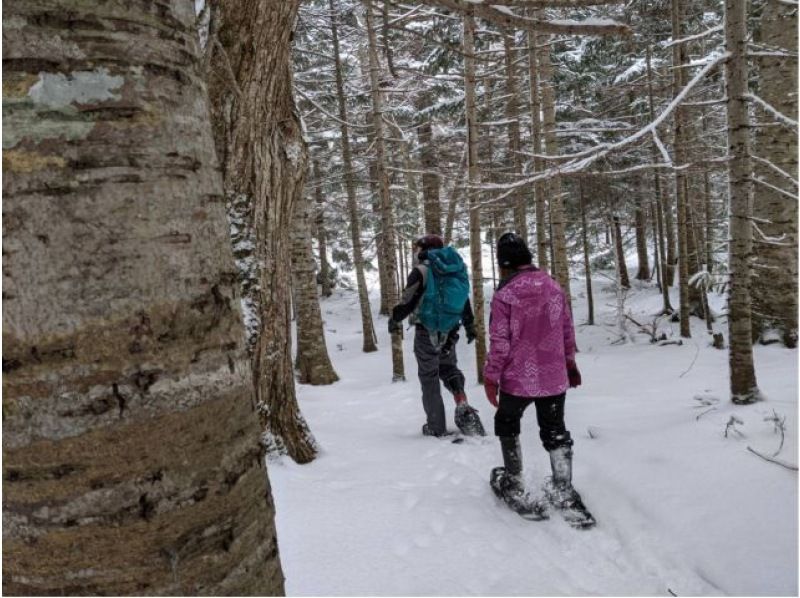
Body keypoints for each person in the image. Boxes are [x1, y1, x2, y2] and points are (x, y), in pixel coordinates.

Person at [483, 232, 593, 526]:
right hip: (554, 376)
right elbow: (566, 331)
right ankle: (563, 488)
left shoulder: (505, 295)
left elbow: (500, 342)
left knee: (507, 423)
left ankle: (515, 484)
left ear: (503, 263)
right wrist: (570, 364)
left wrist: (491, 377)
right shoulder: (553, 287)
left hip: (517, 379)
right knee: (555, 429)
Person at [388, 234, 486, 437]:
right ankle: (462, 401)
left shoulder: (421, 270)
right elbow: (464, 300)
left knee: (429, 377)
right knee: (449, 368)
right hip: (450, 331)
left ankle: (436, 426)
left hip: (426, 331)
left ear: (423, 249)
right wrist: (469, 325)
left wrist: (394, 319)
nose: (416, 251)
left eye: (417, 248)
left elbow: (409, 301)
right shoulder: (455, 269)